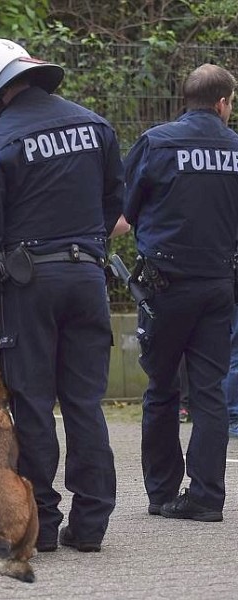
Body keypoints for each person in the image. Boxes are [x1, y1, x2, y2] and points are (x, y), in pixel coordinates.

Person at [0, 39, 122, 553]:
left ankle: (41, 518)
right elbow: (114, 203)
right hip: (87, 278)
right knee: (85, 402)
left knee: (34, 402)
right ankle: (92, 523)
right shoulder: (95, 126)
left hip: (29, 285)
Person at [124, 63, 238, 523]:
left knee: (162, 387)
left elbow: (127, 209)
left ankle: (161, 492)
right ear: (224, 102)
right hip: (217, 285)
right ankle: (208, 496)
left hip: (164, 287)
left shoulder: (156, 143)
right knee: (210, 389)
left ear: (185, 98)